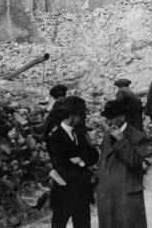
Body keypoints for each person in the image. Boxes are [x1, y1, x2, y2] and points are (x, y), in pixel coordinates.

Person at [47, 96, 99, 228]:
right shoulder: (55, 137)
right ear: (71, 116)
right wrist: (85, 169)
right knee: (59, 224)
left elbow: (94, 155)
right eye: (80, 116)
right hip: (64, 192)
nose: (81, 119)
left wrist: (80, 161)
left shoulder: (79, 134)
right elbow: (61, 166)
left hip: (81, 192)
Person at [97, 100, 148, 228]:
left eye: (111, 118)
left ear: (122, 117)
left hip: (126, 191)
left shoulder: (138, 137)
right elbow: (104, 160)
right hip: (109, 192)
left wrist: (121, 140)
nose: (108, 122)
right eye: (107, 118)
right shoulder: (108, 135)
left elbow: (135, 161)